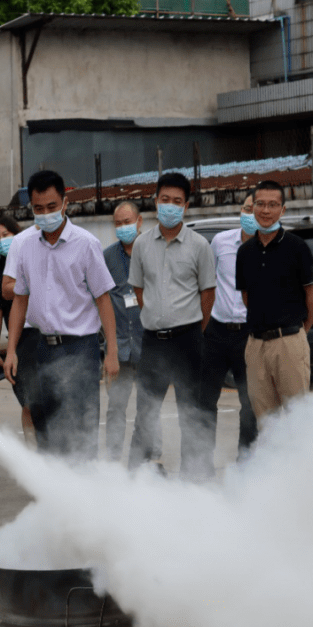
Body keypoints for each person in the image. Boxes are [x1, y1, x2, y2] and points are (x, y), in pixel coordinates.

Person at [4, 170, 119, 460]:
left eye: (52, 207)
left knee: (82, 431)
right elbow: (20, 300)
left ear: (65, 203)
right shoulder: (26, 245)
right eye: (38, 209)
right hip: (43, 348)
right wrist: (11, 351)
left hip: (81, 348)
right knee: (48, 429)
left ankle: (85, 498)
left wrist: (112, 353)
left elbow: (103, 300)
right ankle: (59, 497)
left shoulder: (86, 244)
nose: (45, 215)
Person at [126, 172, 216, 478]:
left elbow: (208, 293)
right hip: (153, 342)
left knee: (191, 412)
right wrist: (156, 316)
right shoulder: (140, 245)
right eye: (165, 200)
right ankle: (136, 476)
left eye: (177, 201)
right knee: (145, 412)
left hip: (189, 340)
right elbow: (139, 291)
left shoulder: (200, 246)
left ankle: (195, 478)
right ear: (155, 202)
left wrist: (192, 328)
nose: (170, 206)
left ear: (186, 206)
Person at [236, 180, 313, 421]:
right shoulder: (245, 252)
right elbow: (246, 297)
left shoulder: (297, 248)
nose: (265, 210)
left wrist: (301, 332)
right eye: (260, 204)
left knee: (296, 419)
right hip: (256, 345)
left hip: (290, 342)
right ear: (253, 208)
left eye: (273, 205)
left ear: (282, 210)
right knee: (265, 420)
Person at [198, 194, 258, 472]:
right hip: (217, 330)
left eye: (255, 208)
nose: (250, 213)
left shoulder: (269, 246)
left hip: (249, 334)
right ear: (240, 210)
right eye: (246, 208)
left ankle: (245, 462)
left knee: (250, 402)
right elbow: (206, 282)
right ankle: (201, 461)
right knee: (205, 399)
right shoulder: (220, 242)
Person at [102, 201, 159, 464]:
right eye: (118, 223)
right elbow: (100, 301)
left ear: (139, 222)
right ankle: (113, 462)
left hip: (149, 345)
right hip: (119, 348)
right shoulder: (107, 257)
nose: (123, 227)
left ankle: (151, 459)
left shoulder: (154, 250)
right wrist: (108, 349)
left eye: (127, 221)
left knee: (150, 408)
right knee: (115, 408)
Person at [0, 215, 36, 443]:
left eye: (5, 235)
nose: (2, 241)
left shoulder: (32, 260)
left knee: (45, 398)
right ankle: (32, 449)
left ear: (17, 234)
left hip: (42, 335)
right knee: (27, 400)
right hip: (19, 341)